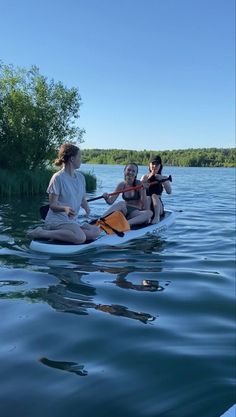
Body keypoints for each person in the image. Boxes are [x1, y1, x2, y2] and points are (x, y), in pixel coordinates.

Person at [27, 143, 100, 244]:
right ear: (72, 159)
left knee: (96, 231)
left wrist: (86, 207)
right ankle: (41, 232)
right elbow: (53, 205)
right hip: (57, 221)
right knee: (80, 238)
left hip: (72, 221)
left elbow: (82, 199)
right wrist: (65, 208)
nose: (81, 159)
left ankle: (68, 234)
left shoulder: (81, 178)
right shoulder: (57, 178)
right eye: (79, 156)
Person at [141, 155, 172, 224]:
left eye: (157, 164)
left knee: (154, 196)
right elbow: (139, 191)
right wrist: (145, 181)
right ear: (149, 165)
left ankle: (156, 217)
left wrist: (163, 180)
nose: (154, 166)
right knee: (148, 197)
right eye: (153, 164)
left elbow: (169, 191)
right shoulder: (144, 177)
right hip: (146, 206)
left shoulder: (164, 178)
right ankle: (147, 218)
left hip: (158, 207)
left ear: (160, 166)